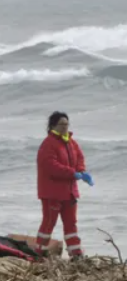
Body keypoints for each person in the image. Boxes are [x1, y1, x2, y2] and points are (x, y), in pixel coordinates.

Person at [35, 111, 94, 259]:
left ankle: (76, 254)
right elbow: (50, 166)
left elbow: (79, 157)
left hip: (70, 192)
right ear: (53, 125)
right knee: (49, 223)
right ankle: (38, 252)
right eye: (61, 124)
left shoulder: (71, 142)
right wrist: (71, 173)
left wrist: (82, 171)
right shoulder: (48, 144)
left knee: (71, 224)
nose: (64, 127)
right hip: (52, 193)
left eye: (66, 124)